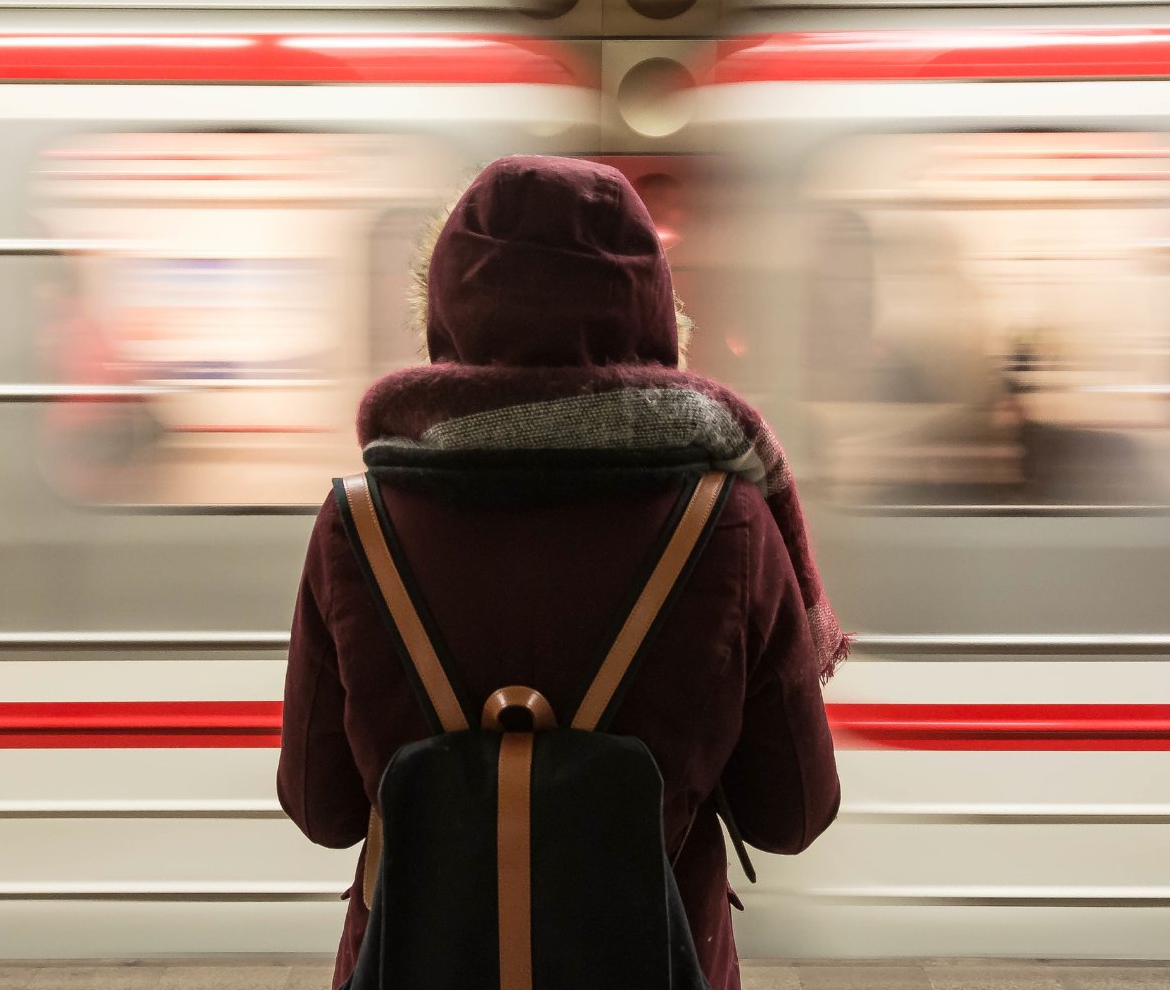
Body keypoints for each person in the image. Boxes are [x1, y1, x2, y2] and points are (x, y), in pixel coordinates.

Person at [278, 155, 846, 990]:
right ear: (651, 308)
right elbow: (793, 814)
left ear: (447, 309)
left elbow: (320, 808)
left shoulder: (357, 523)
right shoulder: (728, 522)